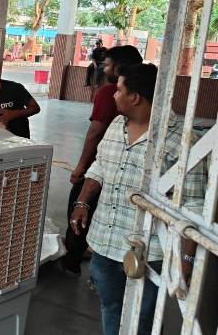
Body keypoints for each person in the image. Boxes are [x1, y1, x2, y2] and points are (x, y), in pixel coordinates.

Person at [70, 64, 204, 335]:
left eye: (118, 90)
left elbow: (194, 206)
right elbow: (100, 166)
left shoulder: (184, 140)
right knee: (110, 307)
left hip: (150, 253)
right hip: (105, 243)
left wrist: (186, 261)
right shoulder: (116, 124)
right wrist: (82, 201)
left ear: (135, 97)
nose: (113, 95)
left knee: (142, 319)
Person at [61, 45, 142, 277]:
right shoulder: (130, 112)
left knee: (81, 209)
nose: (103, 69)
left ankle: (72, 260)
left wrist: (81, 167)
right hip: (121, 171)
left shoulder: (108, 93)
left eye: (107, 64)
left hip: (101, 167)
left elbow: (95, 132)